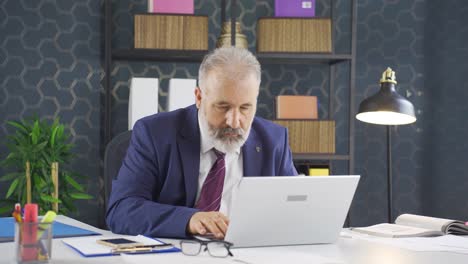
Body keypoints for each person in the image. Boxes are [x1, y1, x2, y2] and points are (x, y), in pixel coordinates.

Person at [106, 47, 298, 239]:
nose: (234, 121)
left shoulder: (274, 141)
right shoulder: (154, 134)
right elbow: (122, 211)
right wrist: (189, 220)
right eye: (223, 107)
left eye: (245, 108)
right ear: (199, 97)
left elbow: (296, 211)